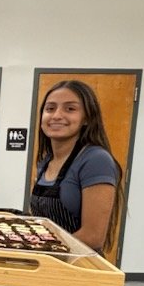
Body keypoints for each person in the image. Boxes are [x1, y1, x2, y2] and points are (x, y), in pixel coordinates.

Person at [30, 79, 123, 256]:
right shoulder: (45, 162)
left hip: (78, 266)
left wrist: (37, 251)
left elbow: (93, 236)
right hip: (49, 261)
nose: (57, 115)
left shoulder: (95, 160)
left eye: (70, 109)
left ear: (87, 118)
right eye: (50, 108)